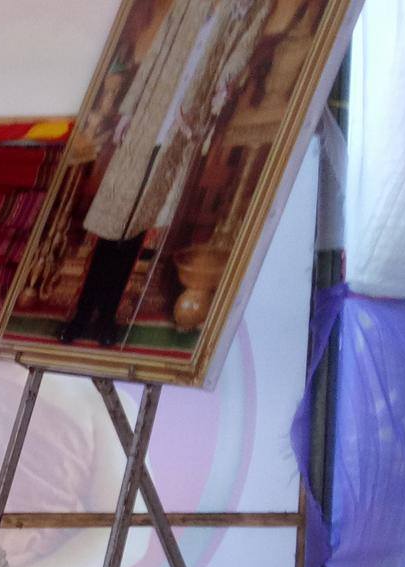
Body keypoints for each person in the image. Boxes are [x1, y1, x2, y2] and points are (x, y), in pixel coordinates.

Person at [60, 0, 268, 346]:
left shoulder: (248, 8)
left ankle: (107, 317)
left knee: (136, 227)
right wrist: (129, 111)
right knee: (113, 224)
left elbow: (237, 59)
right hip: (148, 118)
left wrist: (208, 109)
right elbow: (157, 53)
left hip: (181, 128)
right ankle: (82, 315)